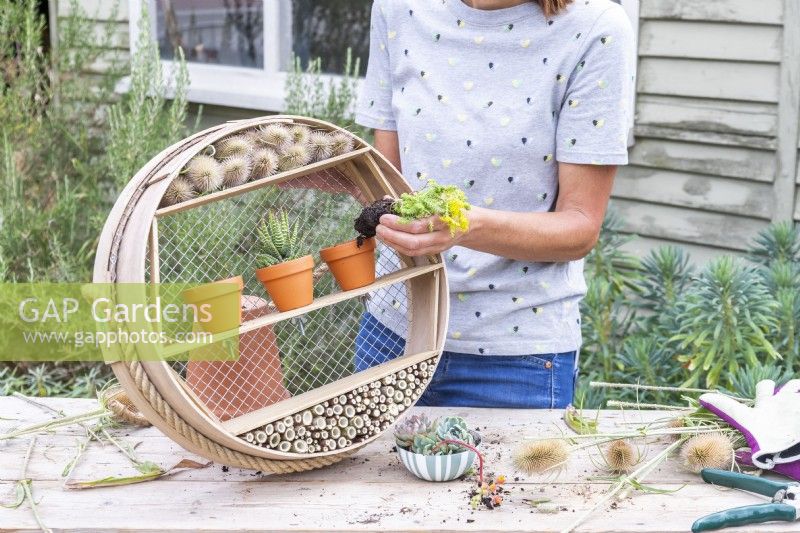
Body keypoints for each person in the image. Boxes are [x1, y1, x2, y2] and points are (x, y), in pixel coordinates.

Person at [353, 0, 635, 408]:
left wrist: (466, 227)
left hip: (515, 360)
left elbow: (579, 229)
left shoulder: (596, 29)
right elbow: (390, 188)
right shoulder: (398, 9)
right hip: (391, 334)